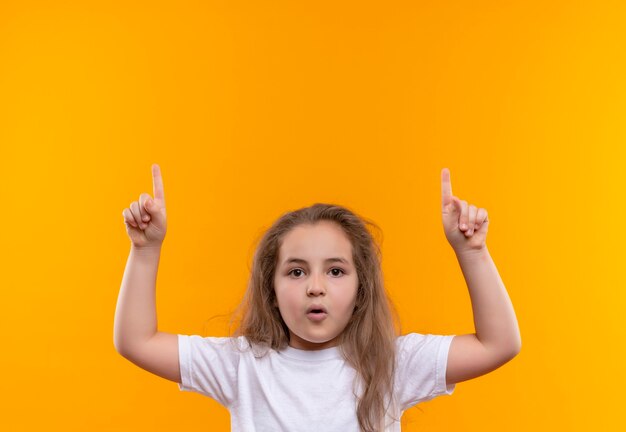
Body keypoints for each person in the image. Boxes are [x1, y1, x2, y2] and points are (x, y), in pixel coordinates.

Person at [114, 164, 521, 432]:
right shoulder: (243, 365)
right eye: (295, 271)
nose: (315, 286)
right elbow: (137, 342)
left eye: (336, 270)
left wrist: (472, 252)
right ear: (270, 291)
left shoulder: (391, 362)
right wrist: (146, 250)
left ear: (362, 289)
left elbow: (498, 344)